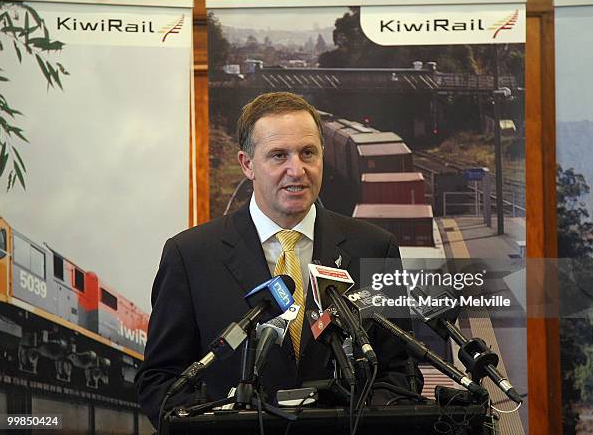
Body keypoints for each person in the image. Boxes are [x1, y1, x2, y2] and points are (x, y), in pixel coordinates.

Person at [135, 92, 420, 427]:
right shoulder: (191, 255)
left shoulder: (374, 248)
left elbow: (399, 372)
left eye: (308, 153)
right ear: (247, 164)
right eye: (278, 155)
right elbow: (161, 381)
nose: (296, 170)